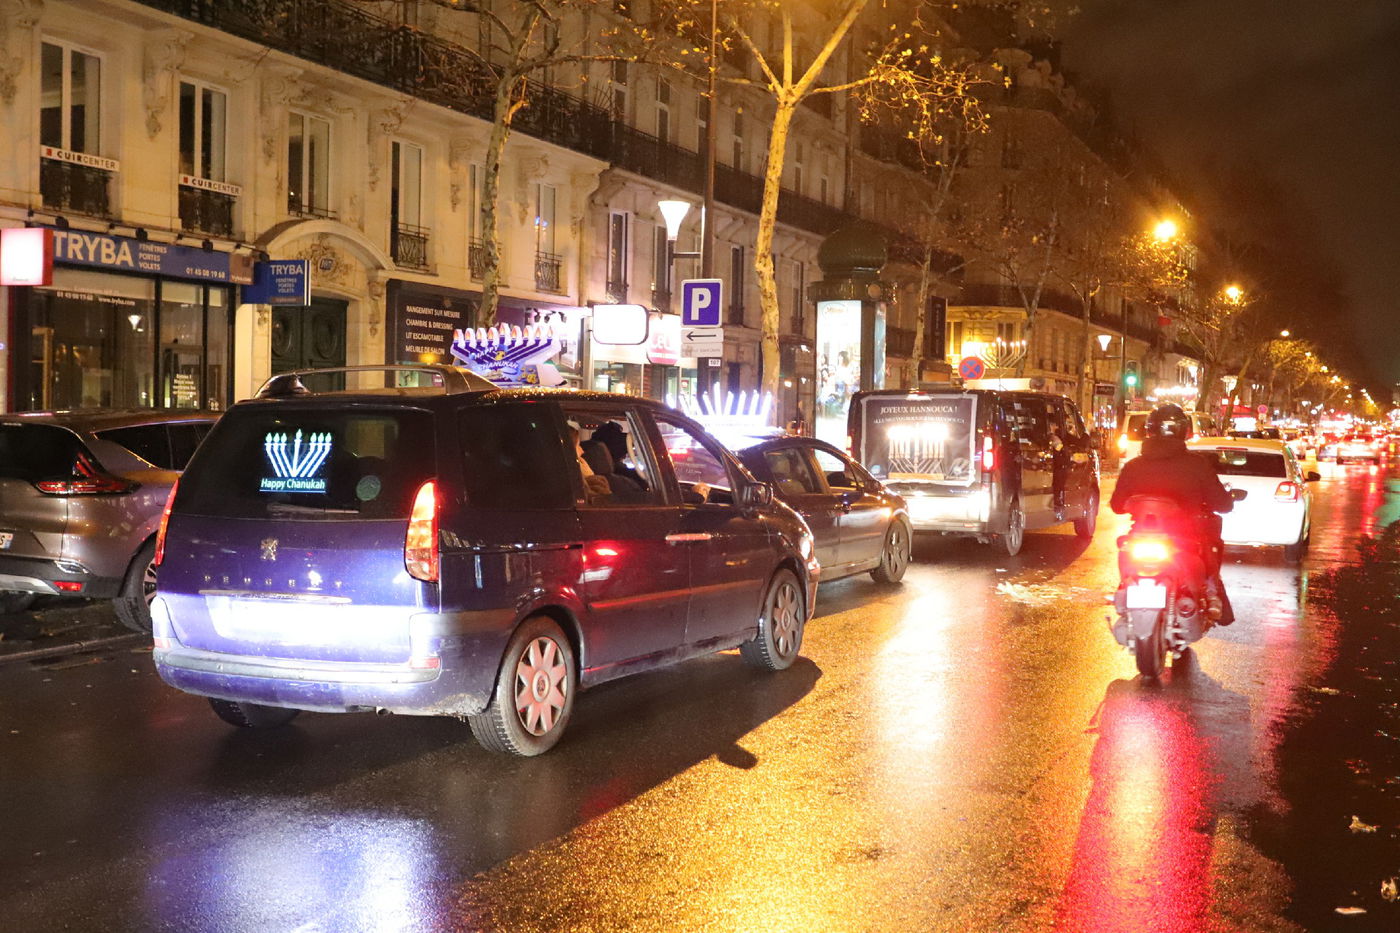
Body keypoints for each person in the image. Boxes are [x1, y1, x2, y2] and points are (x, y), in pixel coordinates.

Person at [1110, 403, 1236, 622]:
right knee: (1210, 552)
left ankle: (1124, 589)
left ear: (1150, 430)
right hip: (1185, 536)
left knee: (1125, 552)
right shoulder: (1197, 465)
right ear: (1183, 431)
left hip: (1141, 536)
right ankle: (1212, 595)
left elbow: (1117, 505)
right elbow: (1222, 504)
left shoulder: (1133, 466)